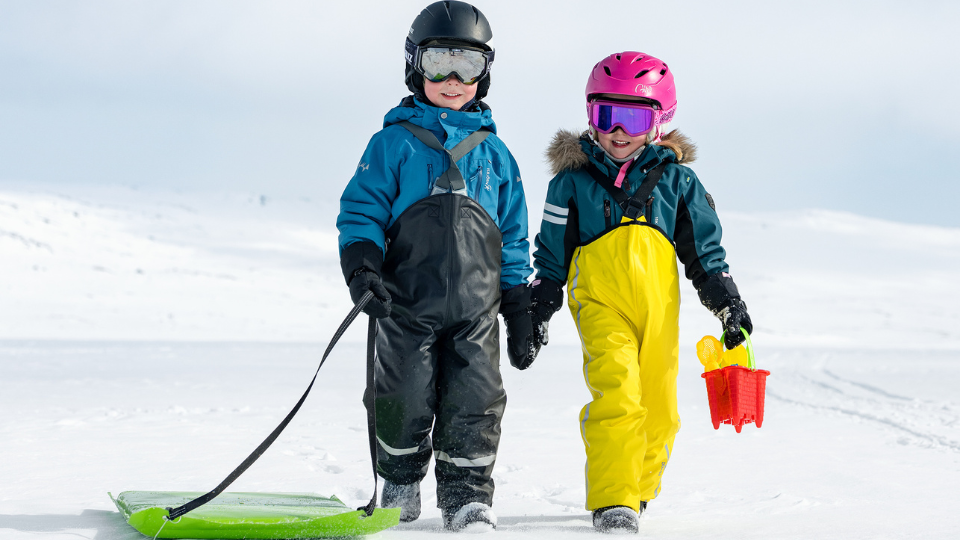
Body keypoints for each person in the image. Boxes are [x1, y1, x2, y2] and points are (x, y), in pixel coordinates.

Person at [529, 51, 754, 534]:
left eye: (632, 118)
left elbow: (704, 253)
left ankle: (639, 488)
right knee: (618, 394)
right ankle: (615, 499)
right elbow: (551, 251)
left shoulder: (679, 182)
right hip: (599, 302)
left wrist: (726, 301)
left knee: (660, 410)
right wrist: (541, 302)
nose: (617, 131)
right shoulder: (571, 182)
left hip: (658, 309)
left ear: (658, 121)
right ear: (591, 115)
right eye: (605, 115)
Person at [336, 1, 537, 532]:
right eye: (439, 63)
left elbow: (513, 235)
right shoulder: (393, 144)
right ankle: (399, 481)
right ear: (414, 65)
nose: (453, 79)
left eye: (467, 65)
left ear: (484, 74)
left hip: (477, 312)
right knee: (402, 394)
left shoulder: (497, 155)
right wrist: (362, 268)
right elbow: (361, 213)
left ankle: (466, 496)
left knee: (476, 399)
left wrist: (519, 306)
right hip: (405, 304)